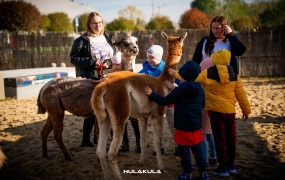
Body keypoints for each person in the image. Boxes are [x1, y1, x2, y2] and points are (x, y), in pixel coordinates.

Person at [144, 61, 209, 180]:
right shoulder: (200, 90)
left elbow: (164, 101)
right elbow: (202, 105)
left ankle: (188, 174)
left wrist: (152, 94)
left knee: (184, 154)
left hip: (182, 129)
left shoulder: (178, 91)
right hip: (195, 128)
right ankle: (203, 173)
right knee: (198, 152)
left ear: (183, 76)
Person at [195, 49, 251, 177]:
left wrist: (176, 75)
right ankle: (231, 166)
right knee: (231, 139)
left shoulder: (207, 73)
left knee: (219, 139)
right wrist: (246, 111)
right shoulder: (235, 76)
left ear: (214, 60)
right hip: (230, 113)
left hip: (215, 113)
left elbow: (193, 80)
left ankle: (222, 167)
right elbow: (241, 95)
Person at [70, 12, 115, 147]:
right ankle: (85, 140)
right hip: (89, 78)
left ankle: (99, 138)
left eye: (100, 22)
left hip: (107, 76)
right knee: (92, 109)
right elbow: (73, 58)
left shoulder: (106, 37)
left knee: (106, 108)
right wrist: (92, 63)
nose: (98, 25)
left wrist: (107, 62)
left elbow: (111, 55)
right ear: (89, 24)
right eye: (94, 23)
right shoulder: (81, 40)